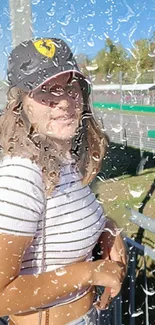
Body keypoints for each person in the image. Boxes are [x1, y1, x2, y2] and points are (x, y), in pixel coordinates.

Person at [0, 38, 127, 325]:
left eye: (70, 86)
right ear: (20, 103)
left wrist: (108, 228)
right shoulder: (22, 175)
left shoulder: (62, 161)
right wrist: (91, 272)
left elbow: (58, 223)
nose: (65, 101)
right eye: (45, 89)